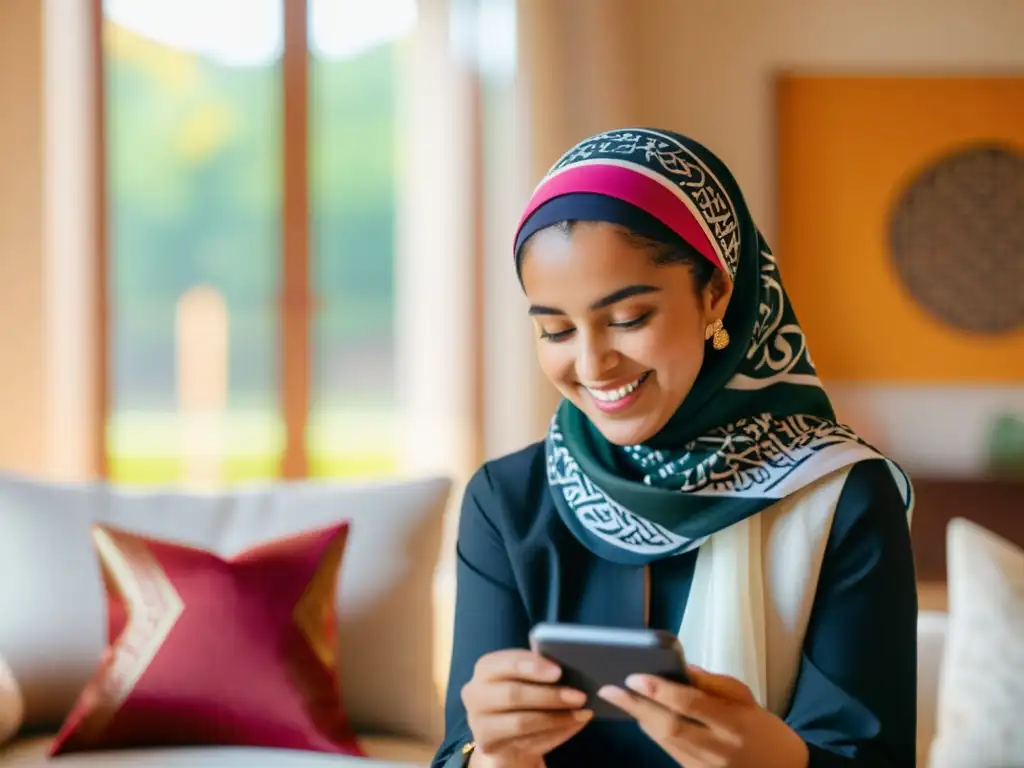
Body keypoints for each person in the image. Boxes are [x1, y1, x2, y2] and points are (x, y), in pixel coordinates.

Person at [432, 128, 918, 768]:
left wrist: (779, 761)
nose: (592, 363)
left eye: (628, 319)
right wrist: (490, 753)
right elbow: (455, 754)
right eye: (554, 329)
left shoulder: (839, 495)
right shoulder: (507, 500)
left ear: (715, 293)